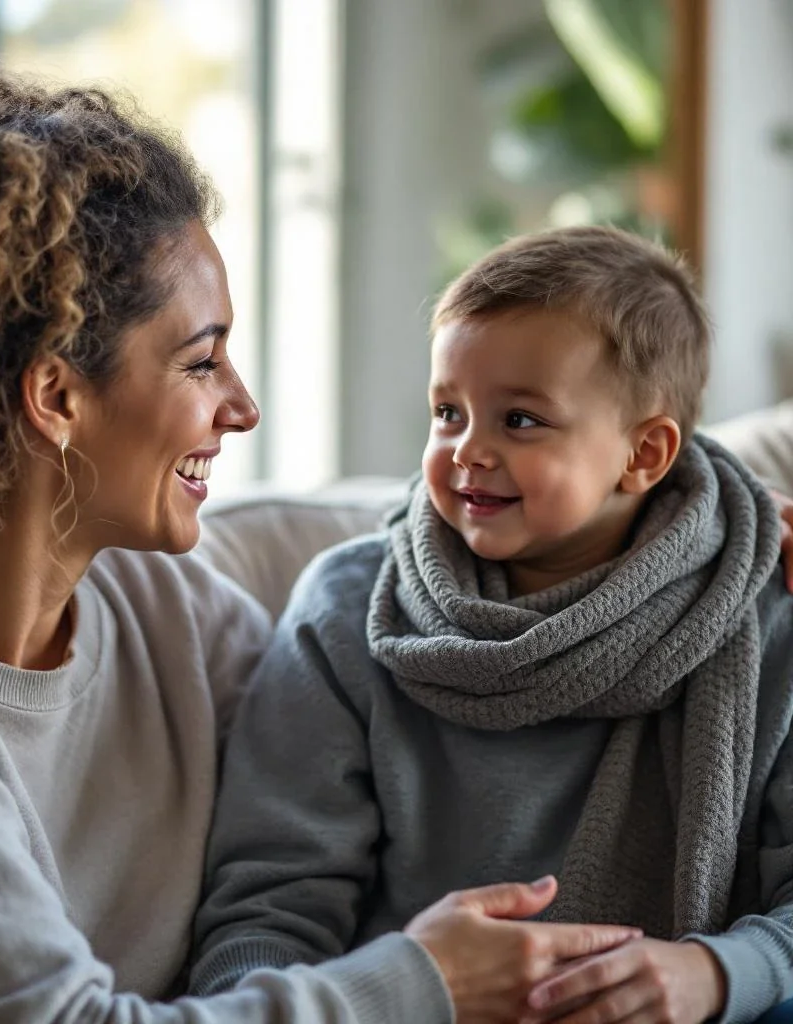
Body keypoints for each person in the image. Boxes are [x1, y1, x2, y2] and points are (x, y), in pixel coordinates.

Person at [0, 65, 649, 1024]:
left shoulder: (156, 605)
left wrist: (702, 519)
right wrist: (422, 986)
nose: (243, 408)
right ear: (57, 395)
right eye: (201, 360)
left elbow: (386, 575)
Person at [190, 226, 793, 1024]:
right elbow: (266, 913)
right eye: (447, 412)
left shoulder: (766, 613)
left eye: (520, 421)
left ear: (644, 455)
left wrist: (713, 976)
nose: (466, 451)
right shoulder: (348, 610)